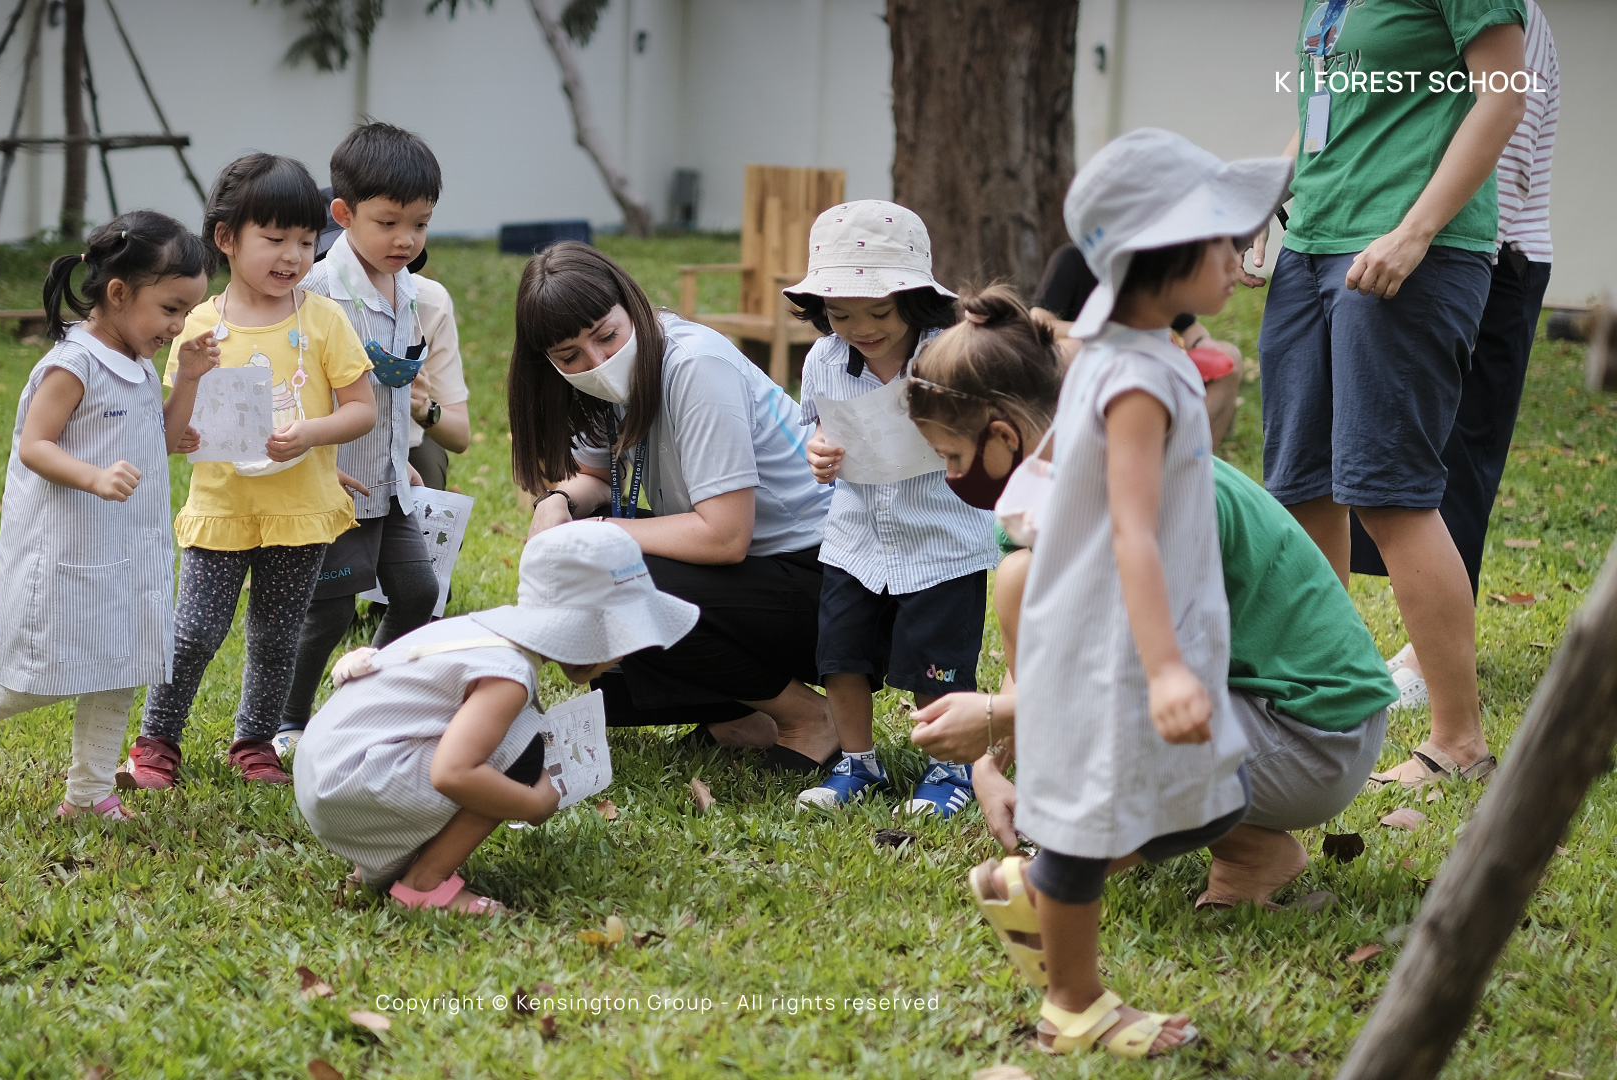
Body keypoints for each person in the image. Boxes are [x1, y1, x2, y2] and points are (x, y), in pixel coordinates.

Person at [941, 129, 1289, 1059]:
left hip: (1139, 626)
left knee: (1208, 804)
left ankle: (1039, 887)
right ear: (1164, 254)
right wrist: (1166, 667)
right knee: (1101, 825)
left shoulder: (1133, 348)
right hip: (1121, 642)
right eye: (1223, 239)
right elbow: (1132, 526)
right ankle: (1074, 1003)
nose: (1239, 256)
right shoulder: (1134, 374)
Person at [906, 285, 1397, 910]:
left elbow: (1133, 678)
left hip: (1316, 733)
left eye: (952, 456)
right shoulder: (1036, 499)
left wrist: (1002, 717)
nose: (953, 477)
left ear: (1003, 436)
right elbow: (1040, 657)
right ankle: (1231, 846)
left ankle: (1233, 858)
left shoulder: (1149, 496)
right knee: (1019, 580)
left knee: (1115, 727)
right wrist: (992, 762)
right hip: (1237, 701)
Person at [1248, 1, 1527, 791]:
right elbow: (1325, 113)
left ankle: (1458, 742)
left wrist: (1415, 231)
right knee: (1302, 488)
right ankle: (1325, 712)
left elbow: (1503, 91)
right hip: (1311, 247)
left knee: (1390, 492)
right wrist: (1266, 205)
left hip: (1411, 250)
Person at [0, 211, 215, 820]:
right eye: (170, 308)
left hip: (128, 547)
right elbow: (36, 444)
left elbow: (157, 436)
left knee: (123, 665)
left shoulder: (137, 363)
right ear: (118, 293)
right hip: (68, 546)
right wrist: (93, 476)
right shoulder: (73, 364)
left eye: (187, 311)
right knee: (44, 669)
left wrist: (186, 379)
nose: (178, 324)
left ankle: (88, 795)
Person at [511, 243, 839, 771]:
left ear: (632, 307)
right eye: (570, 356)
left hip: (825, 579)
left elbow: (724, 537)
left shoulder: (695, 365)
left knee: (617, 577)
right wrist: (557, 505)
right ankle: (741, 715)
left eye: (606, 335)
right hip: (758, 575)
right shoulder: (606, 384)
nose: (597, 361)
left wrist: (597, 535)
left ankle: (810, 718)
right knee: (612, 690)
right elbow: (594, 476)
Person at [118, 153, 377, 790]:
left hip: (300, 511)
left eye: (307, 240)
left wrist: (312, 436)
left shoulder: (322, 319)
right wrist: (191, 388)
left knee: (278, 635)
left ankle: (254, 742)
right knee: (195, 632)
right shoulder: (199, 324)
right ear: (227, 239)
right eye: (274, 238)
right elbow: (173, 433)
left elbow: (362, 409)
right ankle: (157, 742)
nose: (292, 255)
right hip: (223, 506)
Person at [294, 522, 697, 914]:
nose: (625, 653)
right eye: (623, 635)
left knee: (499, 741)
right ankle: (425, 884)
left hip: (326, 771)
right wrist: (533, 804)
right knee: (520, 752)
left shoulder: (481, 633)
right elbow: (452, 774)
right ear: (589, 631)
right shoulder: (510, 675)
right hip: (348, 785)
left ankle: (374, 865)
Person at [1348, 1, 1559, 717]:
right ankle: (1397, 644)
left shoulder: (1508, 17)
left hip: (1493, 254)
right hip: (1436, 248)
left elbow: (1501, 136)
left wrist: (1426, 231)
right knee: (1411, 456)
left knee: (1460, 457)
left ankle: (1423, 665)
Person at [783, 201, 997, 816]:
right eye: (841, 313)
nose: (861, 327)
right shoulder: (824, 360)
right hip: (854, 539)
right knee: (842, 656)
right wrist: (818, 452)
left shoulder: (952, 354)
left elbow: (989, 436)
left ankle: (948, 767)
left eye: (879, 310)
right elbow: (816, 431)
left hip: (941, 540)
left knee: (939, 665)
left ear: (915, 298)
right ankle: (859, 764)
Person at [277, 122, 453, 757]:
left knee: (419, 593)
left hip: (387, 477)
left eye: (421, 224)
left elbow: (393, 385)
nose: (406, 240)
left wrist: (402, 456)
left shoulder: (409, 289)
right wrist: (319, 461)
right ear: (343, 214)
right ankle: (289, 723)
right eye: (389, 223)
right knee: (326, 612)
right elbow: (295, 385)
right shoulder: (317, 290)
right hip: (336, 483)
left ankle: (355, 700)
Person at [1030, 241, 1243, 447]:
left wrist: (1202, 343)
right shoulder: (1073, 259)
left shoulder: (1146, 267)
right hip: (1089, 364)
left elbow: (1189, 327)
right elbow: (1039, 321)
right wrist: (1098, 332)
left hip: (1148, 362)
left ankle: (1198, 454)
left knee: (1229, 356)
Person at [408, 275, 471, 490]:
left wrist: (424, 410)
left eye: (416, 237)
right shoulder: (316, 287)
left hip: (406, 442)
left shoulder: (430, 301)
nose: (404, 241)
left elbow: (460, 436)